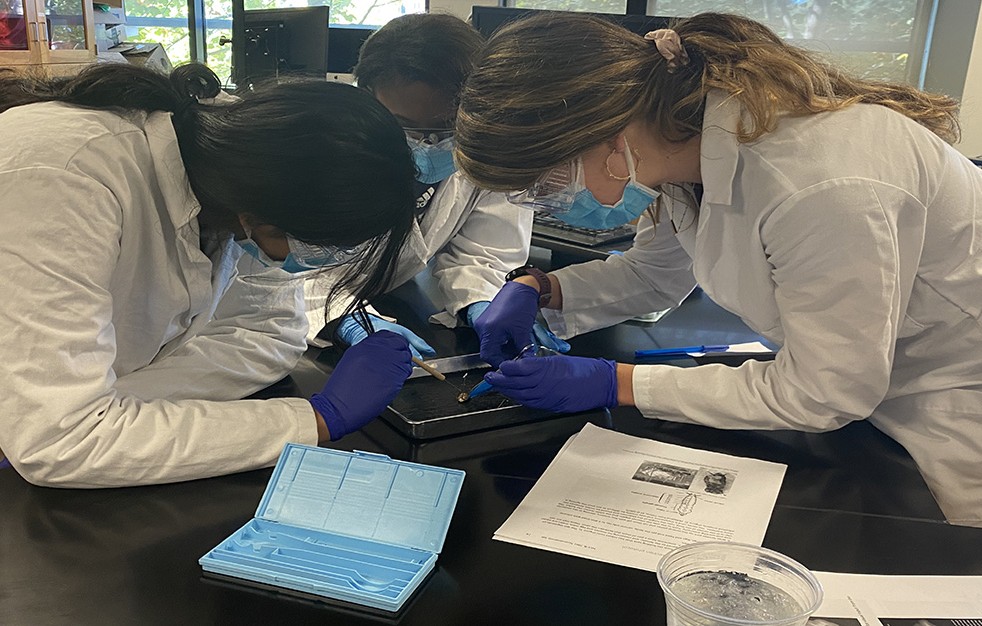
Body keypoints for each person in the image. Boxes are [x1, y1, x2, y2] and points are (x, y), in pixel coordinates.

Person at [453, 12, 982, 526]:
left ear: (609, 134)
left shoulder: (818, 184)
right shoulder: (686, 147)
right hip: (874, 391)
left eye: (549, 183)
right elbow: (655, 274)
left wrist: (618, 383)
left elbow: (822, 392)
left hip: (953, 404)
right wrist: (541, 288)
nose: (556, 201)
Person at [0, 62, 420, 487]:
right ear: (264, 218)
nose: (317, 256)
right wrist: (313, 420)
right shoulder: (68, 180)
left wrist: (113, 416)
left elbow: (269, 331)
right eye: (324, 243)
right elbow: (62, 443)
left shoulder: (240, 184)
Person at [303, 13, 566, 357]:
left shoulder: (484, 149)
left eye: (445, 128)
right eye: (405, 126)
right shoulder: (319, 152)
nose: (427, 144)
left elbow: (484, 251)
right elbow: (284, 268)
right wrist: (346, 319)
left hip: (391, 299)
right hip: (293, 323)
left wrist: (483, 301)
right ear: (366, 100)